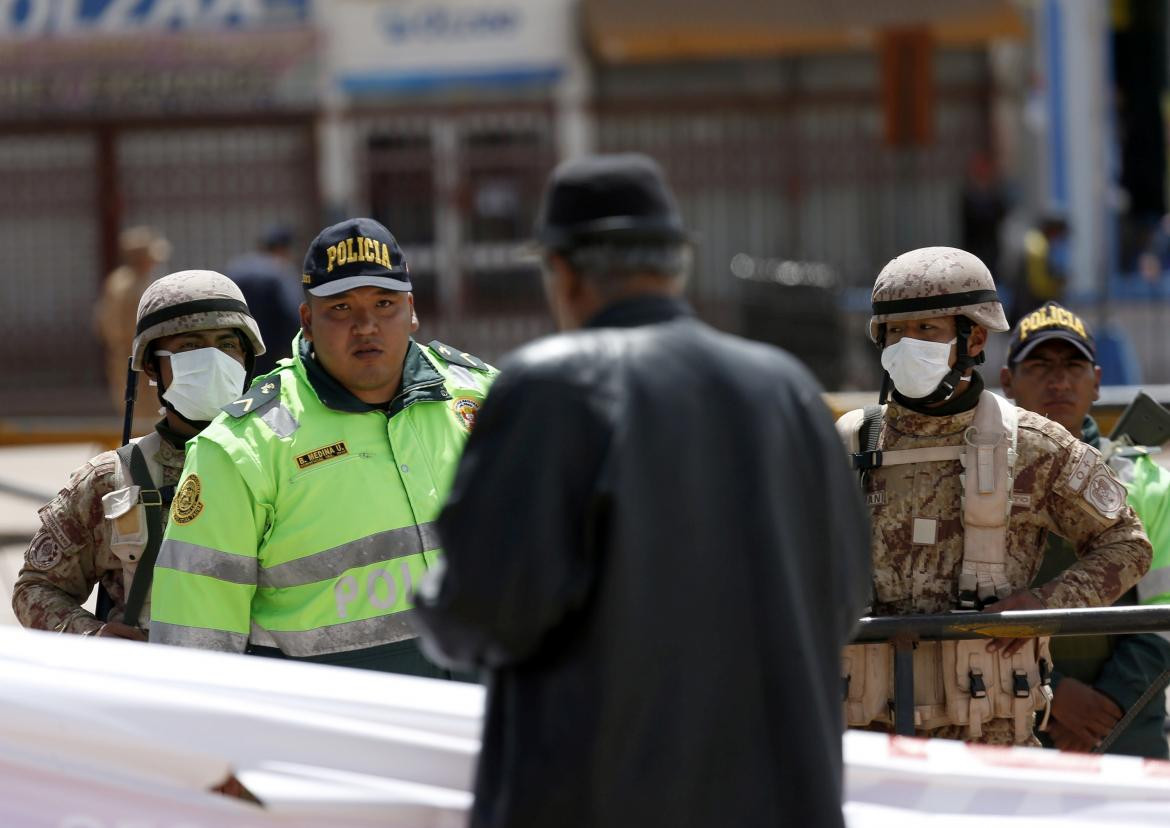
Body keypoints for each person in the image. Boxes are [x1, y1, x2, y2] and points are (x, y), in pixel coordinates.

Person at [413, 153, 872, 828]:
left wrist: (432, 596)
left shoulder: (552, 387)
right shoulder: (788, 391)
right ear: (676, 264)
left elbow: (484, 610)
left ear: (562, 273)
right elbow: (846, 599)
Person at [149, 217, 495, 676]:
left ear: (411, 310)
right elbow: (193, 647)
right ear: (308, 320)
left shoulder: (486, 399)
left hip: (492, 716)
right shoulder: (243, 447)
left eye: (384, 303)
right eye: (341, 309)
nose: (366, 325)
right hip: (336, 735)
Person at [837, 247, 1152, 746]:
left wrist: (1045, 606)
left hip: (989, 738)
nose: (906, 346)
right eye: (895, 332)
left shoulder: (1031, 444)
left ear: (975, 337)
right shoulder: (850, 443)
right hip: (871, 739)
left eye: (926, 331)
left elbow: (1127, 543)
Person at [13, 271, 265, 638]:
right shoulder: (111, 480)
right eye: (191, 346)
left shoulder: (281, 461)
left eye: (228, 344)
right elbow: (35, 589)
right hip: (154, 687)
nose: (214, 361)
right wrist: (94, 636)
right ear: (151, 365)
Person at [1001, 301, 1170, 757]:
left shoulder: (1144, 481)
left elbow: (1165, 615)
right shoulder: (982, 481)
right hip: (1015, 726)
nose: (1058, 380)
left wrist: (1107, 706)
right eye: (1039, 365)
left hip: (1125, 730)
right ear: (1006, 382)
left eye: (1072, 365)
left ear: (1096, 381)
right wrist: (1050, 696)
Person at [94, 226, 172, 412]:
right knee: (140, 408)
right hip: (138, 354)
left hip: (136, 353)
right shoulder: (128, 285)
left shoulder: (121, 281)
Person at [224, 223, 302, 374]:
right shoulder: (280, 272)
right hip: (271, 356)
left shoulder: (236, 268)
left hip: (236, 353)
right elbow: (292, 316)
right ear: (283, 248)